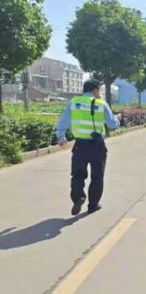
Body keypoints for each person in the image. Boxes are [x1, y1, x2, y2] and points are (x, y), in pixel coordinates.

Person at [56, 80, 121, 216]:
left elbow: (63, 121)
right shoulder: (101, 104)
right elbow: (112, 124)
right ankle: (93, 205)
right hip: (97, 146)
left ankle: (78, 197)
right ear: (95, 90)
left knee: (77, 175)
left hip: (80, 145)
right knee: (97, 176)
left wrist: (61, 137)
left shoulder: (73, 103)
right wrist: (118, 118)